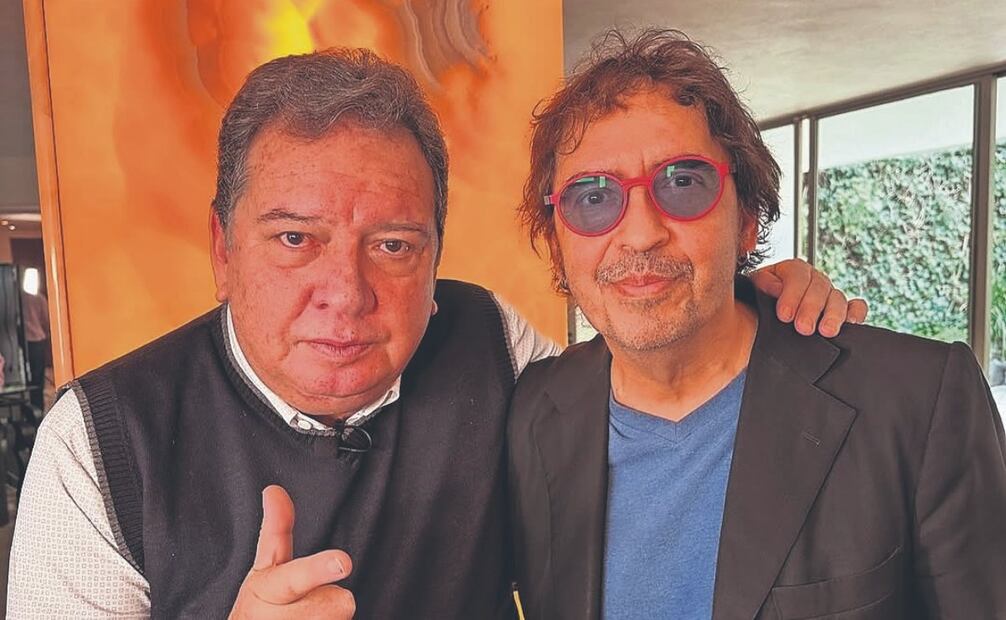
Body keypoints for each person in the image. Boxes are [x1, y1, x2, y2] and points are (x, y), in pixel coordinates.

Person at [9, 47, 862, 619]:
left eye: (393, 245)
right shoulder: (97, 444)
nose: (345, 294)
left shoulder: (490, 342)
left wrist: (740, 299)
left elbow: (647, 383)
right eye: (295, 239)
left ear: (435, 257)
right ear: (222, 250)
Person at [506, 28, 1006, 620]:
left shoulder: (918, 403)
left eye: (683, 182)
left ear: (746, 219)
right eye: (593, 197)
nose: (640, 234)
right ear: (556, 243)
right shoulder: (530, 415)